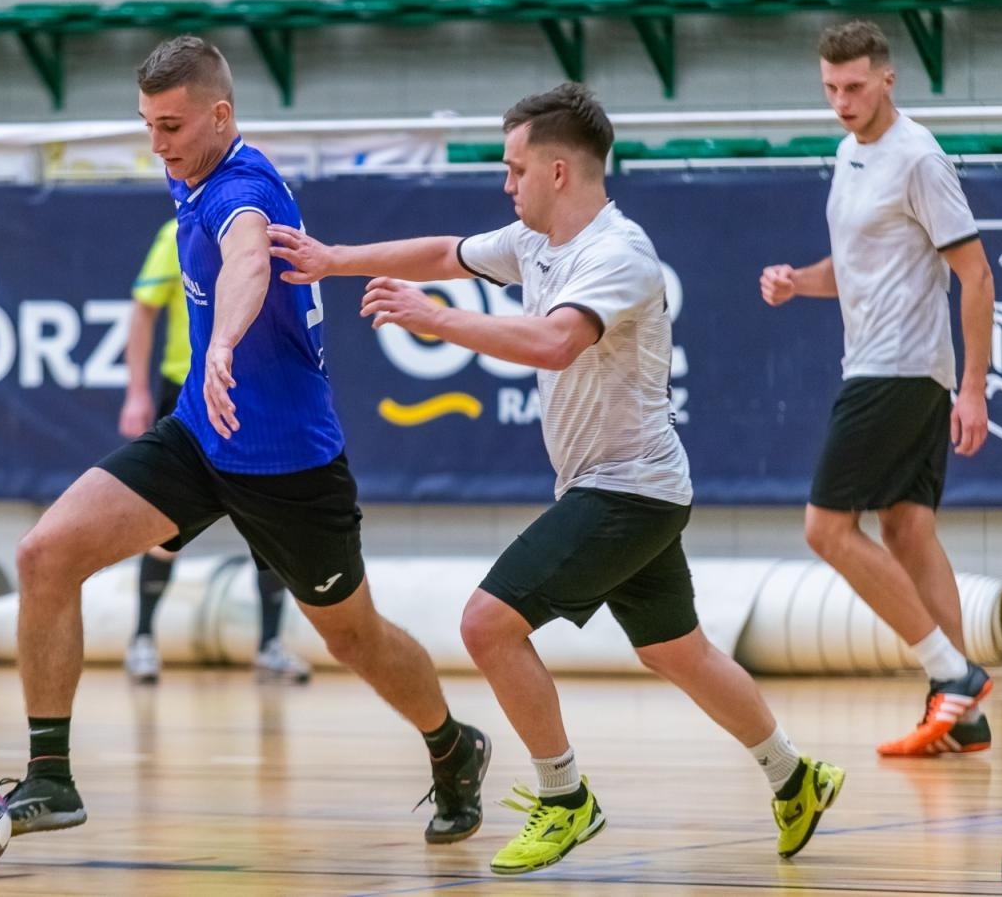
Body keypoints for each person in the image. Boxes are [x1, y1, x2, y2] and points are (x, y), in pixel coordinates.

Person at [269, 82, 844, 875]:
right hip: (623, 486)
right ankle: (796, 774)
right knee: (678, 651)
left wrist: (434, 318)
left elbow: (551, 343)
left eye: (514, 169)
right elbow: (445, 252)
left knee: (487, 623)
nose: (506, 184)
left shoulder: (619, 254)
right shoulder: (535, 240)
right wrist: (334, 262)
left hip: (627, 489)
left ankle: (565, 798)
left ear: (560, 170)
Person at [4, 35, 490, 846]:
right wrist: (212, 368)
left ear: (221, 116)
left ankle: (452, 743)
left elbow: (246, 262)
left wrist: (224, 341)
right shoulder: (184, 168)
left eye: (171, 126)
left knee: (351, 636)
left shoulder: (246, 187)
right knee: (43, 555)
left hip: (290, 462)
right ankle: (51, 776)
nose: (156, 144)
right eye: (147, 124)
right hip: (201, 434)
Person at [759, 19, 996, 757]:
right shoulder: (846, 153)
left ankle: (951, 669)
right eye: (830, 88)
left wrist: (976, 388)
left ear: (887, 78)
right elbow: (855, 265)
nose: (841, 101)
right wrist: (799, 282)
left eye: (854, 86)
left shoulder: (918, 158)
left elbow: (976, 273)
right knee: (906, 528)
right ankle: (964, 716)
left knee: (826, 529)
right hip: (890, 366)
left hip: (896, 370)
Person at [118, 216, 312, 684]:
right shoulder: (178, 233)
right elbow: (144, 309)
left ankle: (268, 647)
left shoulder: (275, 231)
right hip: (185, 391)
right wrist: (137, 392)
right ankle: (142, 638)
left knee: (273, 522)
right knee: (166, 524)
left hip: (255, 392)